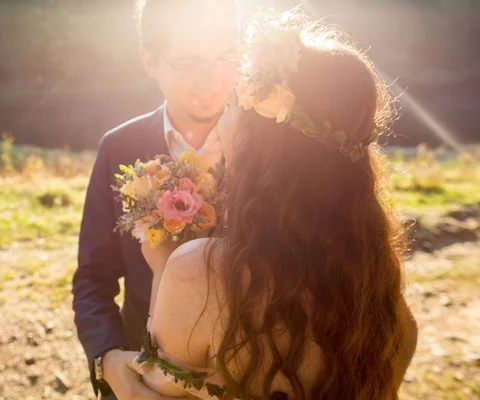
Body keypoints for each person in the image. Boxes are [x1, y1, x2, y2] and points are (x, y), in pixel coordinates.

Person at [135, 9, 418, 400]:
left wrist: (161, 275)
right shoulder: (386, 302)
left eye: (235, 106)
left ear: (260, 145)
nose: (224, 119)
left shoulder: (196, 274)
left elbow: (151, 389)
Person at [71, 0, 238, 398]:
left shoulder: (273, 146)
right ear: (150, 60)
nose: (212, 81)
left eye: (225, 58)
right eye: (189, 63)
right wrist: (108, 360)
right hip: (146, 370)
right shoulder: (119, 147)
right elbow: (93, 278)